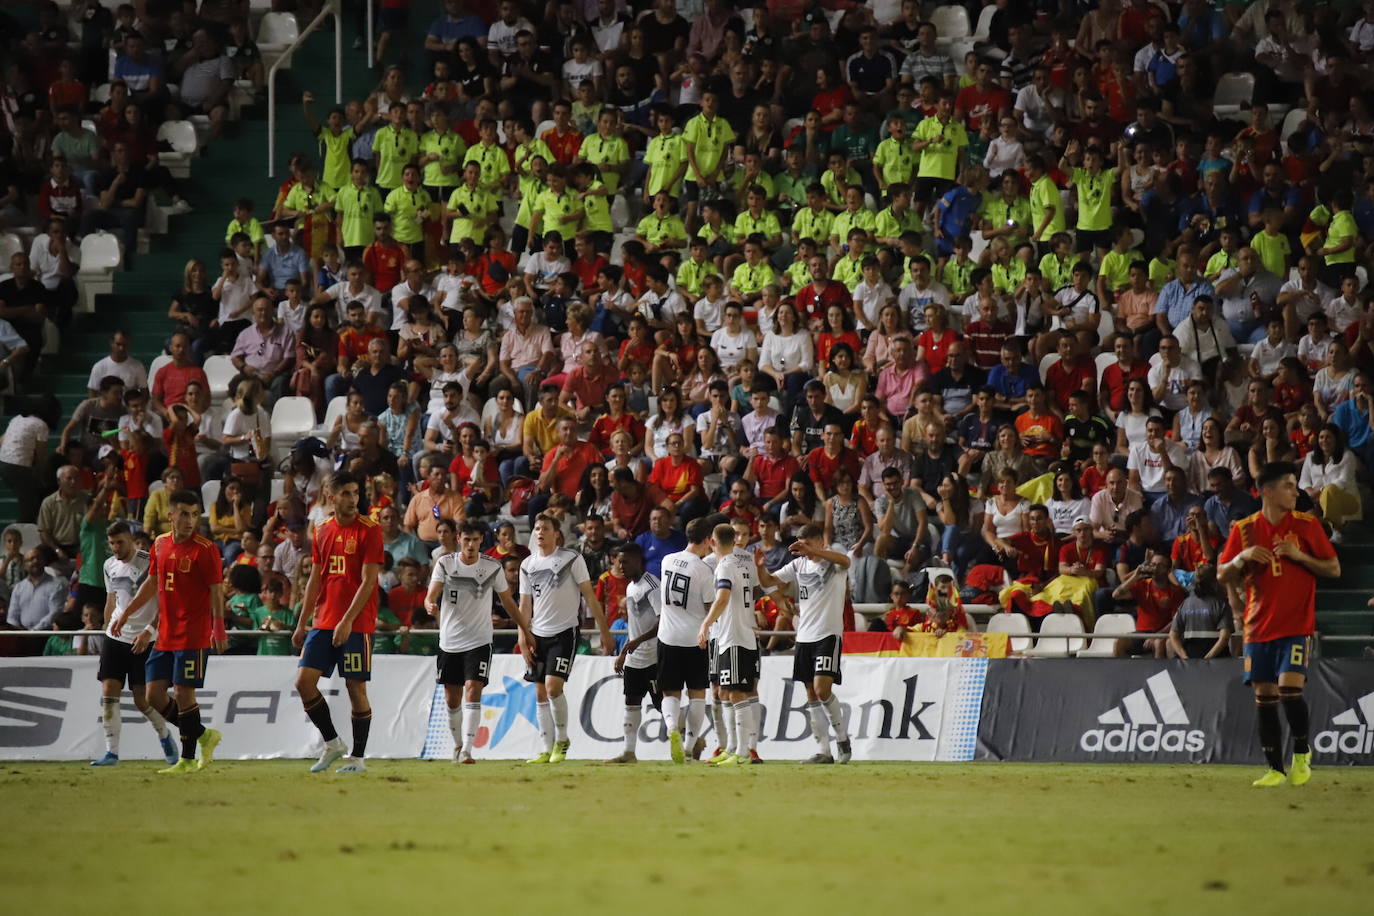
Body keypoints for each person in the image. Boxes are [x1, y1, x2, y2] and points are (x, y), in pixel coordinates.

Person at [1219, 461, 1340, 787]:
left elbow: (1333, 568)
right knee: (1265, 696)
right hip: (1257, 627)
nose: (1296, 491)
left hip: (1296, 625)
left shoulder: (1306, 525)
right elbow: (1221, 573)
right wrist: (1241, 558)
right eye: (1288, 485)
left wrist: (1299, 557)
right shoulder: (1243, 529)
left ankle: (1302, 753)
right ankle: (1275, 768)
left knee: (1289, 689)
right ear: (1267, 491)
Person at [109, 489, 226, 774]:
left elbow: (216, 591)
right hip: (166, 635)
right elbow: (151, 583)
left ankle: (186, 759)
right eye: (184, 514)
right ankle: (204, 735)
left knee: (185, 694)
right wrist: (126, 613)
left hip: (194, 634)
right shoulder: (160, 545)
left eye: (195, 515)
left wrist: (218, 627)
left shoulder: (206, 549)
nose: (190, 520)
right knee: (153, 696)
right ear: (170, 515)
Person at [291, 472, 385, 775]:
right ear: (331, 497)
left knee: (355, 687)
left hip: (356, 623)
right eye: (346, 493)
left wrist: (347, 621)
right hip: (324, 619)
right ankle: (333, 742)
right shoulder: (320, 531)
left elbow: (369, 581)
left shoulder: (370, 530)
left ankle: (358, 758)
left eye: (356, 492)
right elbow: (315, 579)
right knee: (303, 683)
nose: (353, 499)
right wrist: (302, 622)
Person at [426, 520, 532, 764]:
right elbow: (431, 593)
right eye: (466, 539)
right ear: (458, 539)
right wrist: (429, 602)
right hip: (450, 640)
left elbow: (507, 601)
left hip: (480, 640)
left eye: (475, 539)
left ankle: (467, 751)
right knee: (452, 698)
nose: (471, 544)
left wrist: (524, 628)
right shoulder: (445, 563)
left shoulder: (492, 567)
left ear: (481, 540)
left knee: (473, 690)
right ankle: (457, 745)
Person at [520, 513, 615, 763]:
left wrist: (604, 631)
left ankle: (562, 740)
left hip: (564, 633)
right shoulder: (527, 565)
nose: (539, 532)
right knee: (539, 692)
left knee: (553, 687)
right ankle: (545, 746)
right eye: (537, 528)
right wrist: (523, 635)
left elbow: (590, 597)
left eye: (545, 528)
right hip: (537, 634)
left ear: (556, 534)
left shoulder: (571, 559)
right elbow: (525, 605)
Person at [756, 524, 853, 765]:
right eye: (800, 545)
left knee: (822, 690)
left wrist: (815, 552)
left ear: (819, 541)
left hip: (828, 634)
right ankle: (824, 751)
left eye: (807, 544)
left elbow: (846, 561)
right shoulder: (799, 564)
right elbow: (769, 581)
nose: (803, 550)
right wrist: (760, 568)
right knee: (810, 693)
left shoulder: (833, 562)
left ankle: (842, 738)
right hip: (804, 635)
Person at [91, 520, 178, 766]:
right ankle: (112, 752)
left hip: (145, 639)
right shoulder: (109, 565)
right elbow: (112, 600)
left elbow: (165, 604)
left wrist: (151, 630)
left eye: (120, 542)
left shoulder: (150, 562)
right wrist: (106, 626)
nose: (116, 548)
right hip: (115, 636)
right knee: (109, 691)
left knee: (144, 699)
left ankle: (164, 735)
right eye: (112, 543)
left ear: (130, 539)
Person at [696, 523, 761, 767]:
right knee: (725, 692)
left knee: (736, 693)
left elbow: (723, 598)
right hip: (733, 635)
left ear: (712, 542)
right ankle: (733, 747)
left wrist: (705, 624)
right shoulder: (741, 563)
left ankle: (742, 752)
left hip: (734, 636)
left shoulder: (724, 566)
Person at [656, 517, 718, 764]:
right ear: (706, 540)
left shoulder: (667, 560)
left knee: (670, 692)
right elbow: (708, 608)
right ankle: (690, 746)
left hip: (667, 636)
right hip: (695, 639)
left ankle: (672, 728)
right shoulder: (704, 571)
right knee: (697, 694)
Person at [606, 543, 664, 764]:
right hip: (634, 657)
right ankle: (629, 753)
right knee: (631, 701)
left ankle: (691, 739)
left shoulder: (652, 586)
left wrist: (637, 642)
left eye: (625, 561)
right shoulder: (631, 587)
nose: (621, 566)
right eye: (619, 561)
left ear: (639, 561)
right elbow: (635, 627)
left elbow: (662, 622)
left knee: (662, 704)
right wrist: (624, 653)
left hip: (654, 656)